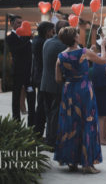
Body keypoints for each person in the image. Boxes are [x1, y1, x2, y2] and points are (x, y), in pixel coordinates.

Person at [54, 27, 106, 174]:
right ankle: (88, 164)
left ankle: (72, 162)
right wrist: (103, 46)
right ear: (75, 38)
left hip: (69, 91)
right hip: (84, 90)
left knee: (70, 125)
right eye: (77, 34)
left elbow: (58, 78)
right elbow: (103, 61)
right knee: (88, 123)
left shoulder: (61, 56)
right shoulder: (84, 52)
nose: (79, 35)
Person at [41, 20, 69, 149]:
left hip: (45, 83)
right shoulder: (63, 46)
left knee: (49, 113)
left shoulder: (47, 42)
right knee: (55, 114)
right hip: (56, 85)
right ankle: (52, 142)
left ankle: (49, 139)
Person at [5, 15, 35, 125]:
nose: (20, 25)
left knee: (31, 98)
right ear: (11, 24)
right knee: (16, 98)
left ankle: (32, 125)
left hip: (28, 72)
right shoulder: (10, 37)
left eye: (21, 23)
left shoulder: (25, 36)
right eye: (18, 23)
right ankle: (16, 124)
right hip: (17, 72)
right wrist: (27, 39)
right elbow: (16, 51)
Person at [32, 21, 55, 137]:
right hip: (42, 77)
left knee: (41, 105)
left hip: (39, 76)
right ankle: (38, 134)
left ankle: (38, 133)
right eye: (52, 31)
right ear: (47, 32)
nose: (53, 33)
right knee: (42, 107)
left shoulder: (37, 40)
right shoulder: (44, 43)